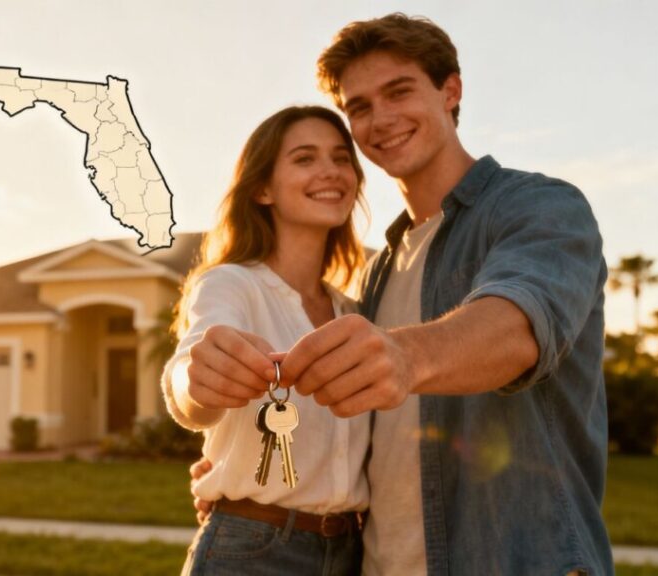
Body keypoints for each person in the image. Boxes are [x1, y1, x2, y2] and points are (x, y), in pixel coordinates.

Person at [191, 13, 612, 576]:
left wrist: (406, 355)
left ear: (450, 90)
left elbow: (518, 326)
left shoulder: (539, 208)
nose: (380, 120)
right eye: (359, 107)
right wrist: (242, 481)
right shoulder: (374, 276)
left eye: (399, 91)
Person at [163, 105, 371, 575]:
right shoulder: (231, 285)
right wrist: (195, 381)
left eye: (341, 158)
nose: (330, 171)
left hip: (351, 553)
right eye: (304, 158)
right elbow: (191, 370)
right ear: (261, 189)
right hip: (252, 551)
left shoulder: (354, 313)